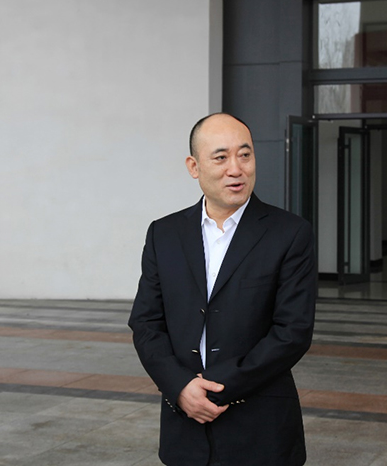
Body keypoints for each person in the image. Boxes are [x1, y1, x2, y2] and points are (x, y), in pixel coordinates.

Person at [129, 113, 317, 466]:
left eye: (245, 155)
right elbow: (146, 323)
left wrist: (216, 387)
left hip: (261, 431)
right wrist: (180, 388)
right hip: (184, 428)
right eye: (221, 157)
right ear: (194, 166)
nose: (236, 169)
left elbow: (292, 332)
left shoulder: (290, 234)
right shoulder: (163, 234)